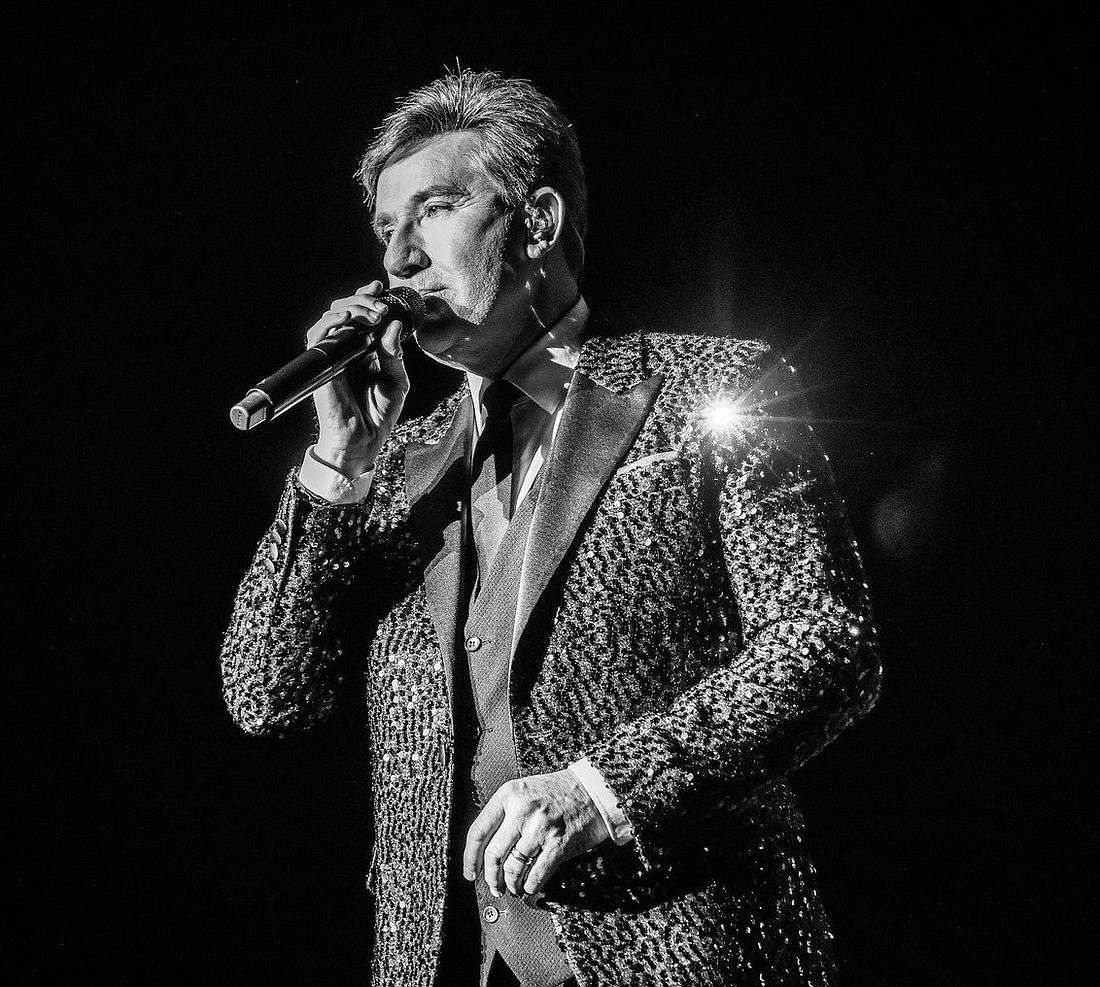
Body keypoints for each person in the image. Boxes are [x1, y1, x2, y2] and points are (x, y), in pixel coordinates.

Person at [220, 68, 881, 987]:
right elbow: (267, 691)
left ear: (535, 221)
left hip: (676, 951)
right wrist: (339, 463)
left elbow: (824, 643)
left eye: (436, 209)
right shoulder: (398, 465)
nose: (398, 258)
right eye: (385, 229)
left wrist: (603, 791)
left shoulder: (708, 388)